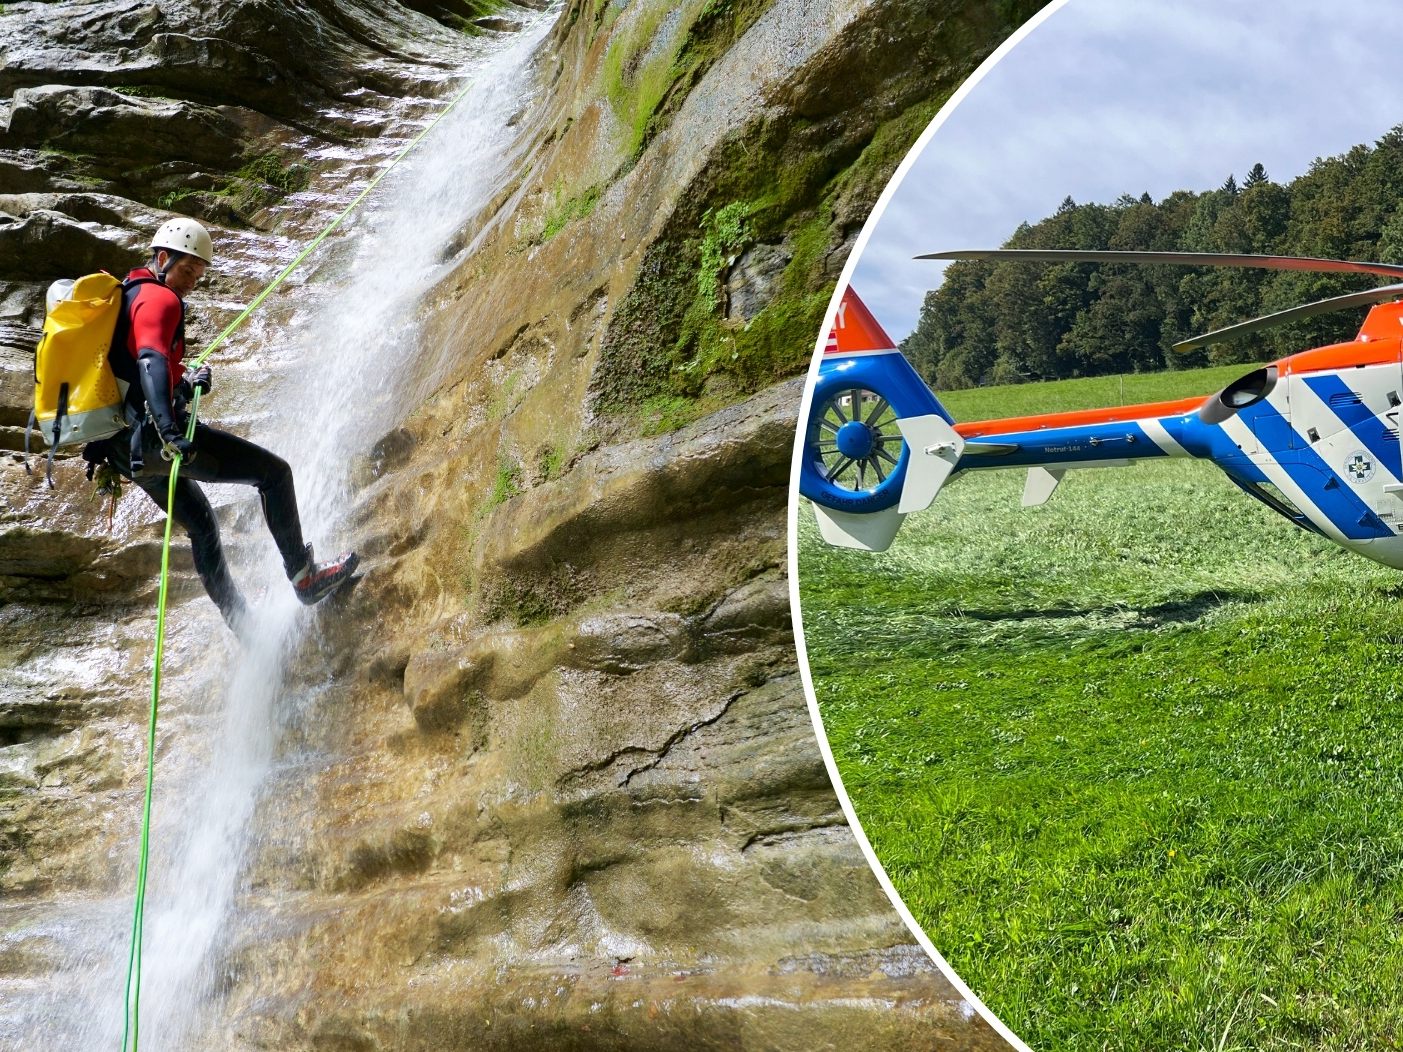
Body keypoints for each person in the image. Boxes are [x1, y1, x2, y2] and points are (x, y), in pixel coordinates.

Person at [98, 217, 358, 633]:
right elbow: (150, 361)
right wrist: (169, 430)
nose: (191, 282)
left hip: (124, 450)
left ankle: (243, 628)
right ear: (162, 259)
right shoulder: (160, 299)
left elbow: (135, 371)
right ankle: (304, 576)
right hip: (154, 440)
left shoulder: (128, 296)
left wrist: (184, 385)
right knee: (274, 475)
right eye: (187, 270)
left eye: (198, 276)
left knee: (202, 526)